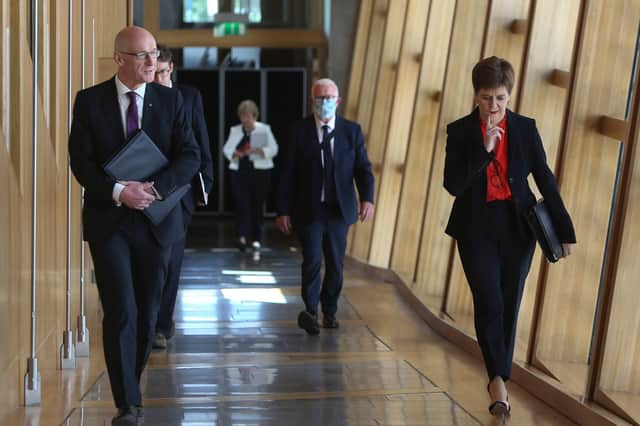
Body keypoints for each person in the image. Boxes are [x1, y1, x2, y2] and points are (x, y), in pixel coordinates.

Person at [68, 26, 200, 426]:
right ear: (119, 59)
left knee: (147, 311)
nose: (151, 62)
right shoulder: (89, 101)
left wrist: (155, 190)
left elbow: (190, 155)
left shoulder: (171, 100)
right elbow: (81, 162)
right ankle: (128, 402)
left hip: (156, 222)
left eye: (154, 54)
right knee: (121, 310)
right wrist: (119, 191)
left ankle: (131, 380)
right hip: (110, 222)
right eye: (142, 55)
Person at [443, 56, 576, 416]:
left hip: (519, 228)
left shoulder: (526, 129)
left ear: (509, 95)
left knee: (509, 301)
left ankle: (498, 378)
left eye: (500, 98)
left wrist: (565, 230)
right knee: (489, 301)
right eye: (487, 98)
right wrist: (483, 151)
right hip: (475, 229)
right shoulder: (459, 131)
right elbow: (452, 185)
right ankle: (498, 380)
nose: (494, 106)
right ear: (476, 95)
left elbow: (545, 180)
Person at [276, 78, 375, 336]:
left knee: (335, 263)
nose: (324, 103)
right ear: (312, 101)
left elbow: (363, 169)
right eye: (320, 98)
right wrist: (282, 210)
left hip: (339, 209)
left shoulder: (351, 131)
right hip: (309, 208)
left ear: (338, 101)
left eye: (329, 98)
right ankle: (310, 311)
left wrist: (368, 198)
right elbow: (286, 174)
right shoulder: (298, 131)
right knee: (311, 260)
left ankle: (329, 310)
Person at [152, 45, 214, 350]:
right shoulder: (145, 98)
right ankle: (149, 320)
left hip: (183, 193)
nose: (159, 77)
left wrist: (206, 184)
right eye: (154, 72)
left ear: (172, 69)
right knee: (153, 260)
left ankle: (162, 325)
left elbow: (202, 142)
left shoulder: (188, 97)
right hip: (147, 190)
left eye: (163, 72)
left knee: (172, 261)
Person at [222, 99, 279, 252]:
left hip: (260, 172)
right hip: (239, 172)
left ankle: (256, 239)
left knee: (257, 205)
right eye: (243, 116)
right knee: (241, 205)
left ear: (255, 116)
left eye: (249, 116)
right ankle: (241, 236)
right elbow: (226, 149)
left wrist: (261, 151)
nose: (246, 119)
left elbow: (274, 149)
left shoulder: (263, 129)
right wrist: (234, 154)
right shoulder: (235, 130)